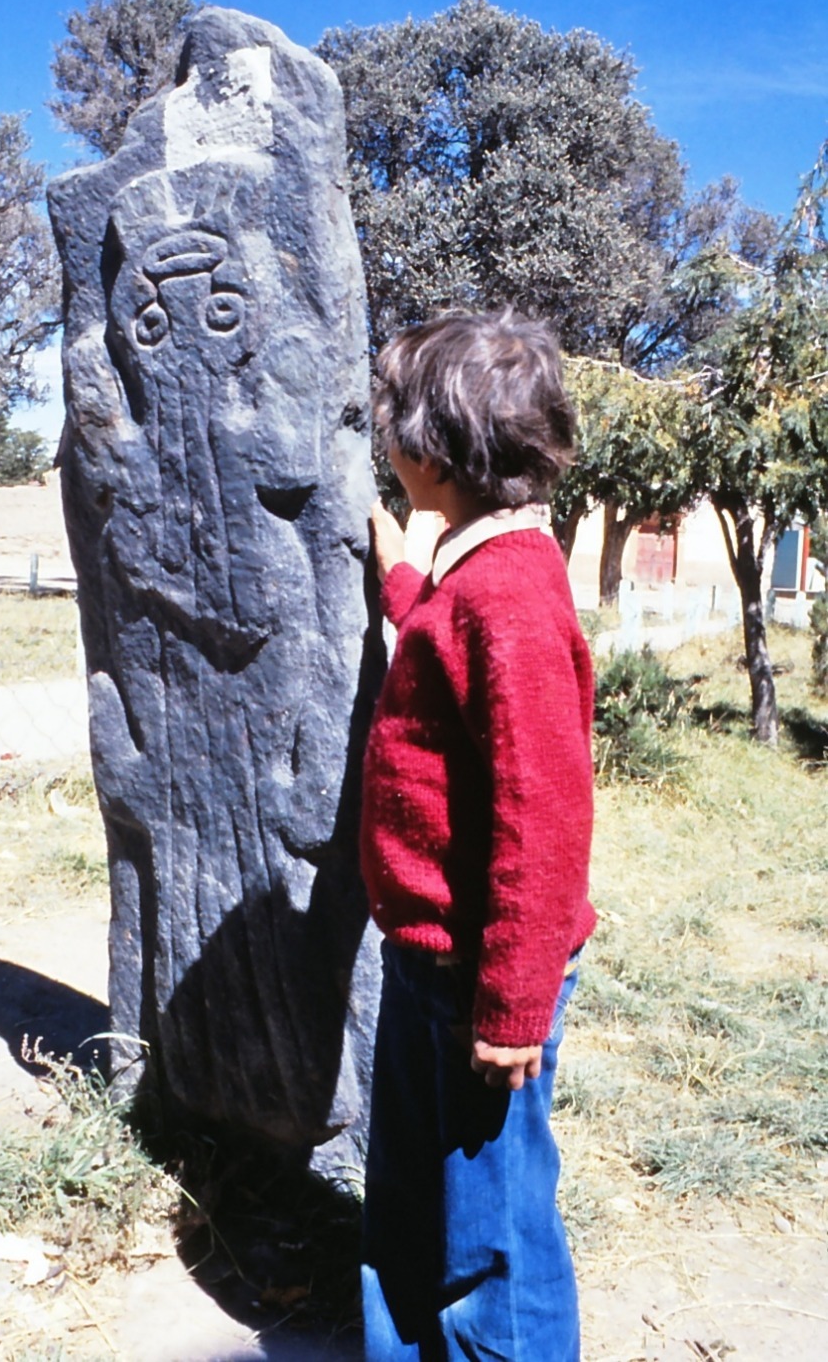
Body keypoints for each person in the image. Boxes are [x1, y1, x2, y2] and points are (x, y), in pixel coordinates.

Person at [360, 309, 596, 1361]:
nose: (384, 446)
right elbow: (445, 646)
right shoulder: (473, 579)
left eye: (391, 428)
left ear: (434, 449)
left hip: (482, 981)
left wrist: (513, 1003)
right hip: (431, 960)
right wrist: (402, 581)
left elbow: (541, 816)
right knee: (414, 1197)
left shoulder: (511, 598)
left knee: (493, 1236)